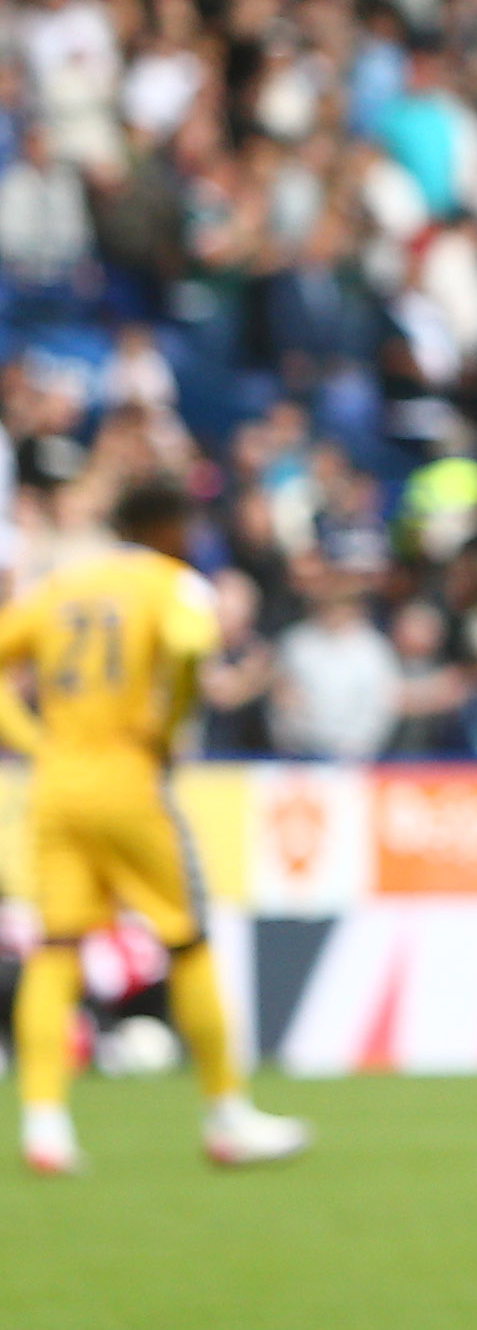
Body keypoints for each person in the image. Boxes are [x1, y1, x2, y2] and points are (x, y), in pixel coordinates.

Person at [0, 472, 302, 1174]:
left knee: (57, 947)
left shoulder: (62, 586)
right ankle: (227, 1115)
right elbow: (194, 646)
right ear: (170, 527)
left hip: (55, 785)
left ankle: (44, 1125)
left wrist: (31, 738)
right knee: (188, 940)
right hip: (130, 781)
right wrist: (167, 723)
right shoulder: (173, 582)